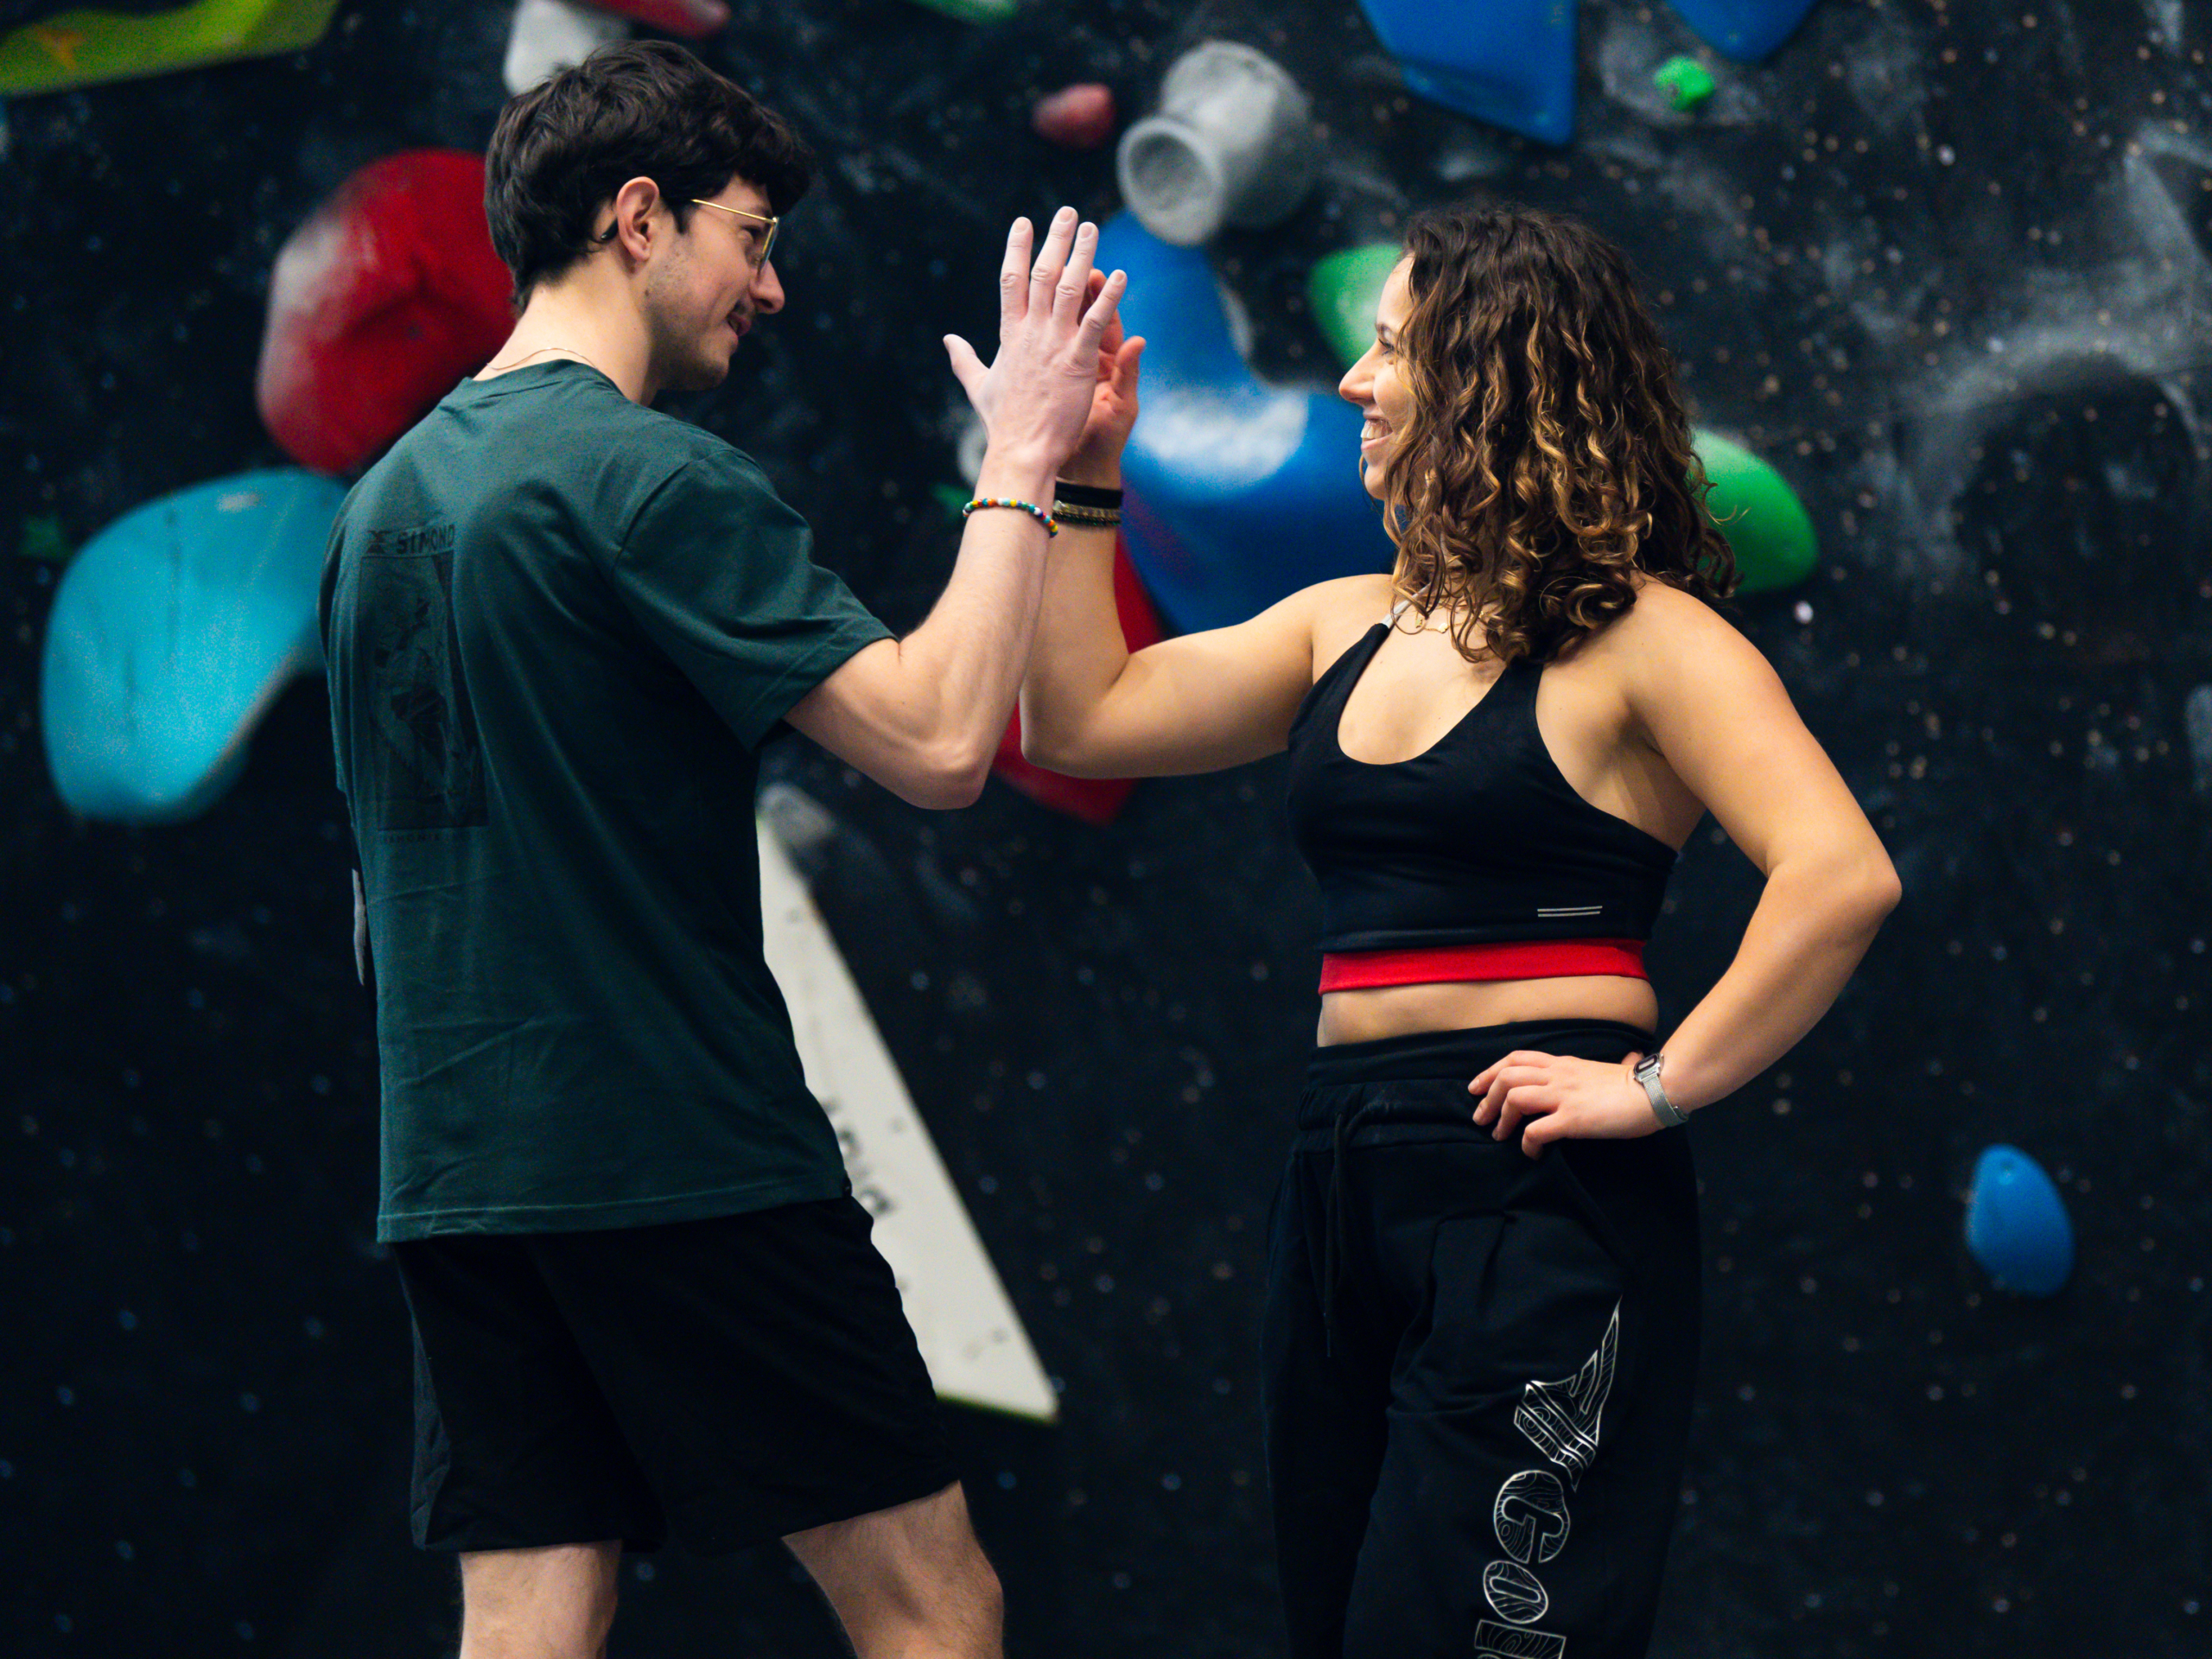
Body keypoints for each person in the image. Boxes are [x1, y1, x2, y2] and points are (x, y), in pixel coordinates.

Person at [317, 40, 1124, 1659]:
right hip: (678, 1153)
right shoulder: (647, 476)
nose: (771, 291)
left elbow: (372, 902)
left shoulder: (379, 508)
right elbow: (946, 741)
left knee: (534, 1606)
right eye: (751, 239)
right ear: (638, 218)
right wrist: (1027, 457)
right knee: (934, 1610)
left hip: (462, 1176)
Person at [1021, 204, 1901, 1659]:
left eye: (1389, 349)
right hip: (1345, 1173)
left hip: (1533, 1189)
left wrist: (1656, 1087)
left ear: (1490, 376)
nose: (1356, 385)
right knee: (1343, 1627)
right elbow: (1080, 718)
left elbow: (1840, 877)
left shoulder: (1651, 639)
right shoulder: (1340, 622)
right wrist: (1087, 482)